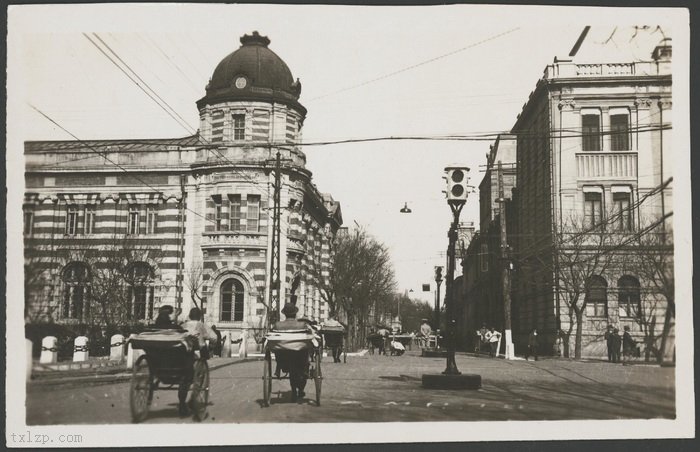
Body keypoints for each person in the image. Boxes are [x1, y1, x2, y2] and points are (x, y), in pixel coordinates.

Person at [272, 303, 313, 402]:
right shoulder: (302, 325)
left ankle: (294, 390)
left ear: (285, 314)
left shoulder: (277, 325)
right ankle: (300, 389)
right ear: (295, 313)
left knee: (292, 368)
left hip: (283, 358)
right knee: (303, 367)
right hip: (300, 357)